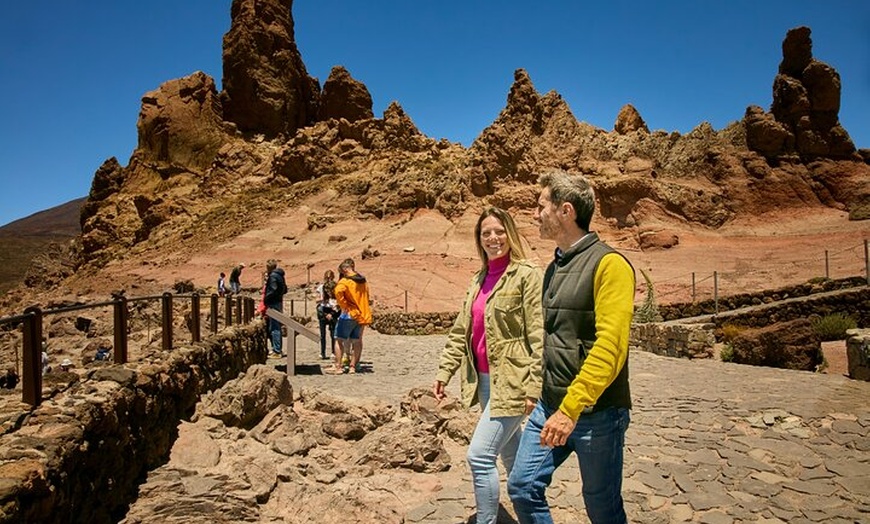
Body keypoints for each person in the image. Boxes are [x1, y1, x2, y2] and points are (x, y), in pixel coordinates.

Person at [507, 170, 636, 524]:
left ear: (566, 211)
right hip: (549, 405)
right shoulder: (554, 267)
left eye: (540, 206)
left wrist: (571, 408)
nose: (534, 215)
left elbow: (611, 347)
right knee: (522, 486)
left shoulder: (610, 265)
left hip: (598, 414)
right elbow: (553, 338)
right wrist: (541, 390)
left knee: (602, 507)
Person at [433, 206, 544, 524]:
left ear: (510, 233)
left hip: (512, 381)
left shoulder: (527, 274)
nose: (493, 238)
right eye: (486, 233)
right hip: (483, 380)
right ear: (479, 240)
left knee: (479, 456)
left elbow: (539, 334)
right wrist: (445, 371)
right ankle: (531, 512)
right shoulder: (478, 278)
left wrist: (534, 386)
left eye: (499, 231)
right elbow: (461, 330)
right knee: (511, 453)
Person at [333, 258, 371, 374]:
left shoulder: (345, 281)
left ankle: (338, 367)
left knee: (339, 339)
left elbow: (338, 292)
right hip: (362, 314)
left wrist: (344, 305)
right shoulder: (363, 281)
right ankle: (353, 366)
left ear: (345, 269)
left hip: (349, 314)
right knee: (357, 340)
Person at [263, 260, 288, 358]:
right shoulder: (280, 276)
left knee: (275, 327)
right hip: (279, 301)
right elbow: (285, 289)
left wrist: (266, 299)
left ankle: (277, 351)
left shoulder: (273, 276)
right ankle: (277, 349)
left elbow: (273, 289)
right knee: (275, 325)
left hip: (273, 303)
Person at [316, 270, 339, 360]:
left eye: (330, 278)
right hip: (323, 309)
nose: (329, 279)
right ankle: (322, 352)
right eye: (327, 278)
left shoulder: (335, 287)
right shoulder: (321, 287)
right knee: (322, 333)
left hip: (333, 309)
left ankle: (333, 351)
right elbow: (317, 300)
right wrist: (323, 299)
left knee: (333, 332)